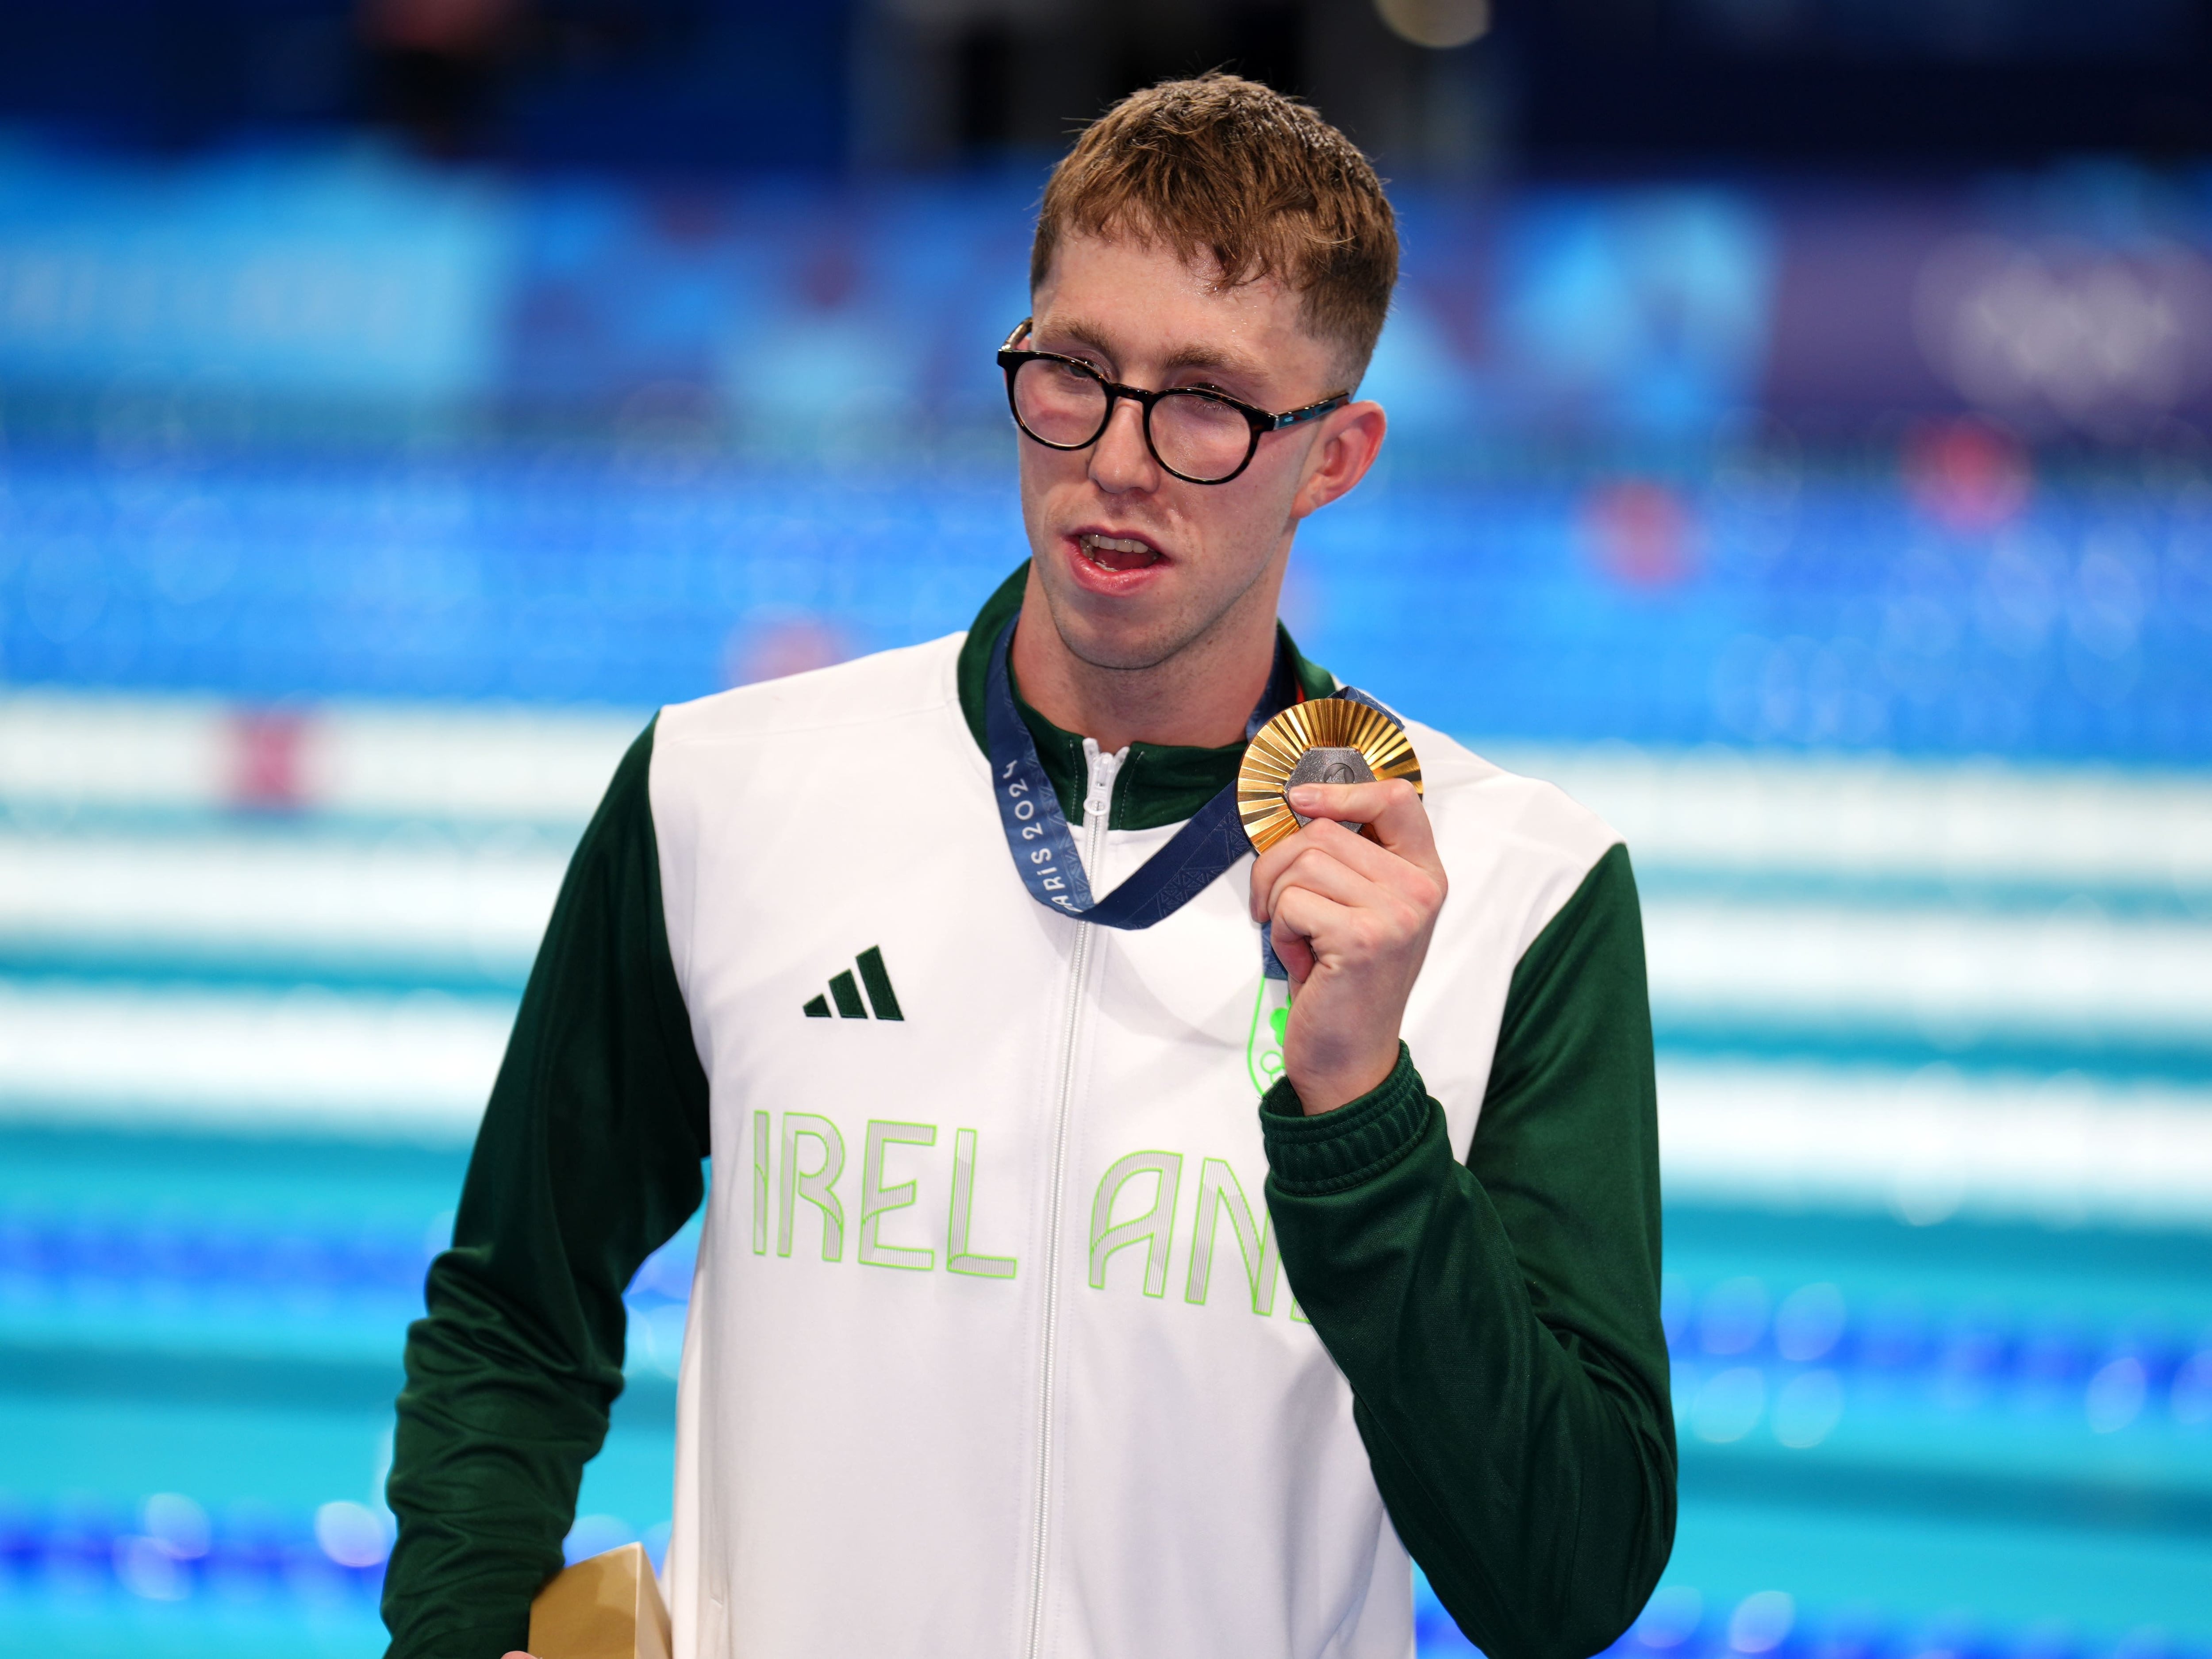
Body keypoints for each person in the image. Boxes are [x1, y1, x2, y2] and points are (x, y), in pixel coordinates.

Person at [383, 72, 1674, 1659]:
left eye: (1206, 401)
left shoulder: (1521, 893)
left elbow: (1569, 1585)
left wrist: (1364, 1116)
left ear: (1334, 457)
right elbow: (518, 1308)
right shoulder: (722, 793)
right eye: (1074, 372)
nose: (1118, 460)